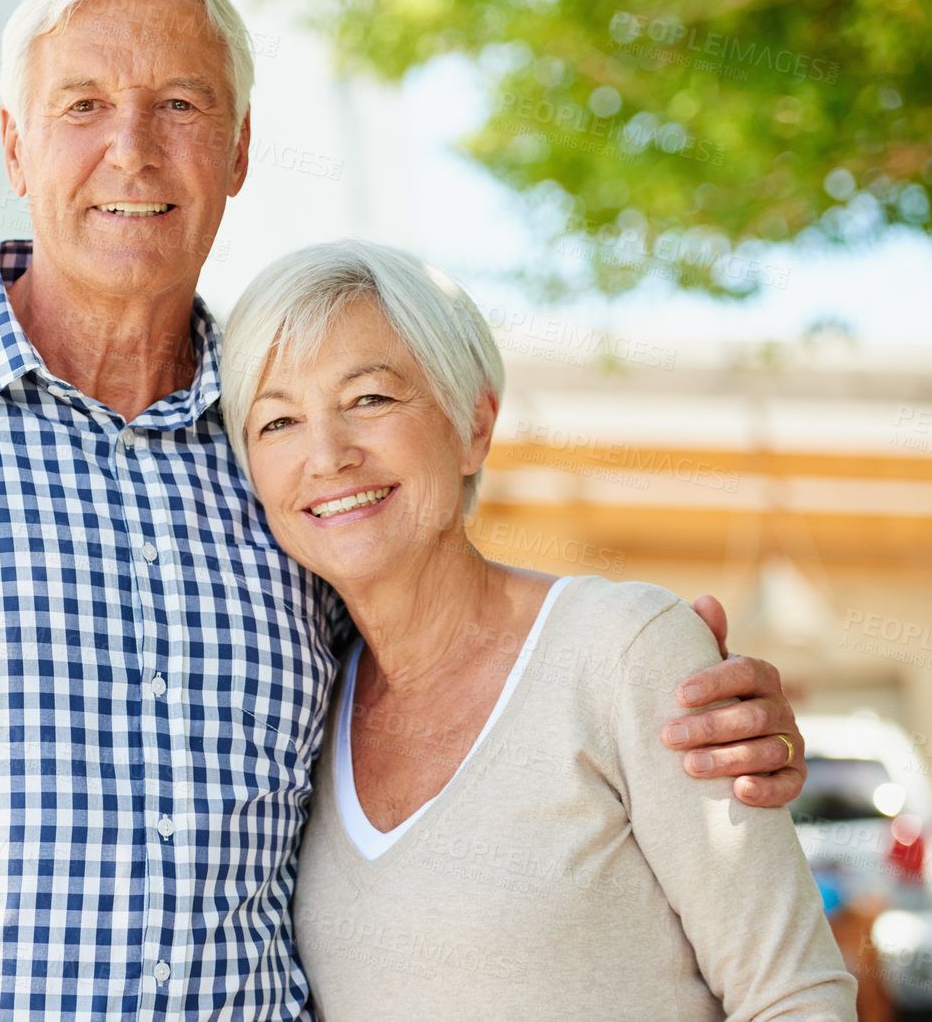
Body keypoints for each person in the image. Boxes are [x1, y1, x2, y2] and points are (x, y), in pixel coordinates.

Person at [0, 0, 809, 1020]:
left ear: (236, 150)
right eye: (83, 105)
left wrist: (673, 710)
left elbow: (459, 674)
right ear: (16, 146)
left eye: (179, 103)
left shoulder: (284, 442)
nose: (132, 148)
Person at [221, 239, 854, 1019]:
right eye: (277, 421)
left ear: (472, 422)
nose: (326, 455)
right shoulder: (300, 708)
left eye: (370, 399)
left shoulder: (623, 649)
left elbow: (794, 994)